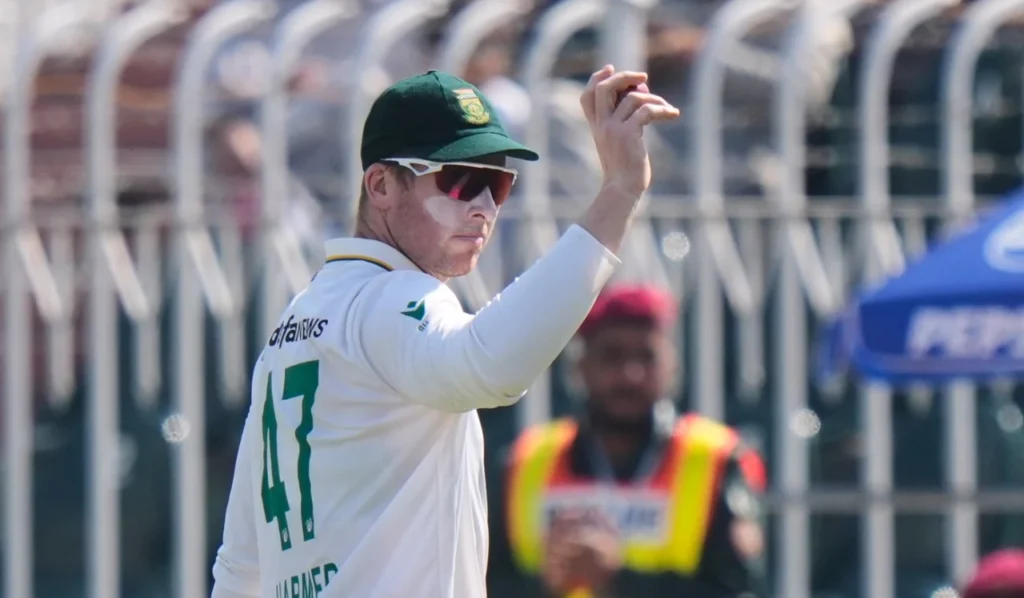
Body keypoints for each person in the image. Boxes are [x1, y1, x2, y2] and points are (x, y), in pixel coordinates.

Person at [209, 66, 680, 598]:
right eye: (459, 181)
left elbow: (241, 564)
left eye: (498, 185)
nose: (483, 208)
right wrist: (619, 190)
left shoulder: (297, 320)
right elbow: (489, 366)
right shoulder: (392, 296)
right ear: (380, 185)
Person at [487, 285, 768, 598]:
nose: (630, 375)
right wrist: (544, 585)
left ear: (671, 365)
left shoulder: (715, 459)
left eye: (646, 356)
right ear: (580, 367)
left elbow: (741, 589)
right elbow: (480, 583)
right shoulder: (525, 462)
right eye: (612, 356)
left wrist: (619, 579)